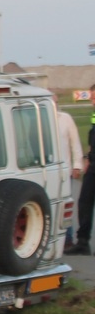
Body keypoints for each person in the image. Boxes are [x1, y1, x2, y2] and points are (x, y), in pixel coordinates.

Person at [67, 86, 95, 256]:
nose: (92, 102)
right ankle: (82, 241)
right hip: (92, 165)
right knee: (84, 202)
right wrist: (87, 158)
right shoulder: (94, 115)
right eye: (92, 98)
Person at [58, 99, 85, 250]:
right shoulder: (40, 118)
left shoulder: (65, 118)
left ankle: (67, 238)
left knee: (66, 204)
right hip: (47, 170)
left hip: (65, 169)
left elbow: (75, 142)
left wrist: (77, 165)